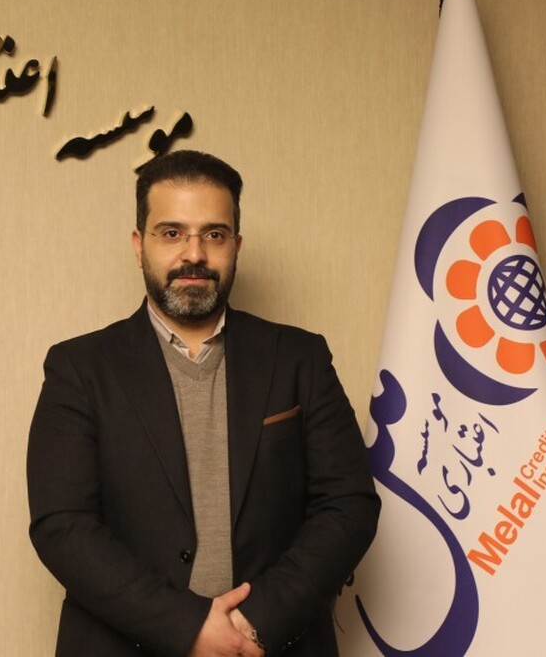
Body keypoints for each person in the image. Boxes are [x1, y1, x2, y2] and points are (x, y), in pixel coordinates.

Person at [27, 150, 379, 656]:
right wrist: (188, 627)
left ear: (236, 246)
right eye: (171, 233)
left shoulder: (300, 357)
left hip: (271, 645)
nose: (193, 254)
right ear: (139, 246)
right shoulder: (78, 368)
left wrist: (254, 624)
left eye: (214, 234)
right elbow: (63, 526)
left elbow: (348, 506)